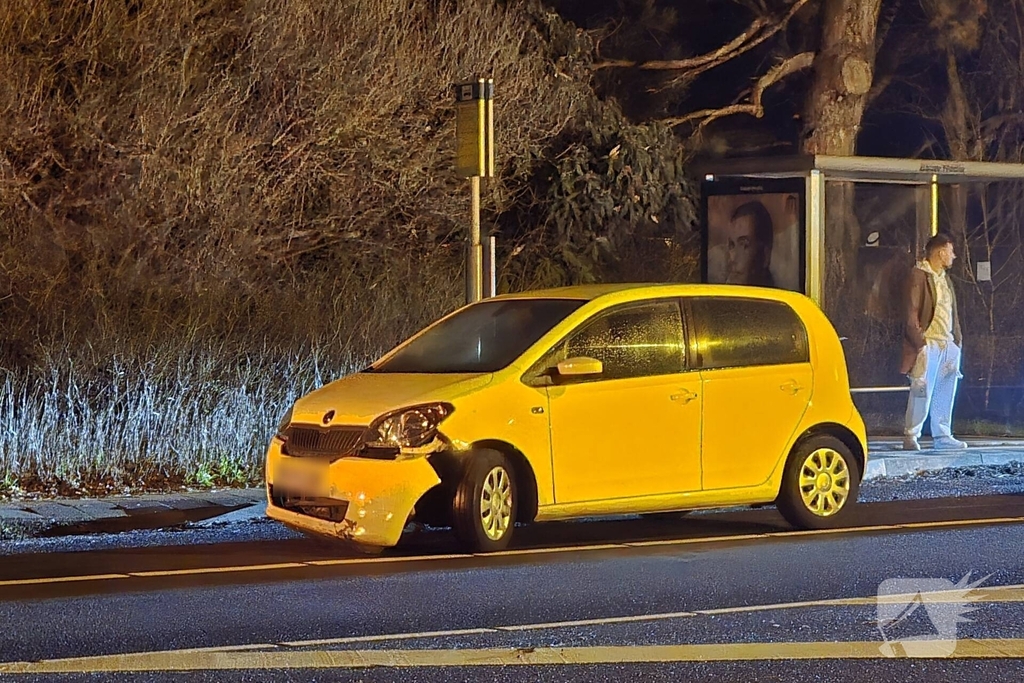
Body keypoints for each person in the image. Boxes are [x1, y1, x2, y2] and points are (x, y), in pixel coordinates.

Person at [900, 233, 967, 450]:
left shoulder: (944, 278)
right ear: (940, 252)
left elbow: (951, 312)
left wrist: (957, 341)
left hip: (947, 342)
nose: (953, 256)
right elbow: (911, 312)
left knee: (946, 389)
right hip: (928, 342)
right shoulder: (919, 275)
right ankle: (912, 434)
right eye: (951, 251)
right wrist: (920, 343)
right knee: (922, 389)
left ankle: (943, 434)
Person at [725, 200, 775, 287]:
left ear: (766, 254)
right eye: (732, 245)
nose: (732, 258)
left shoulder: (780, 298)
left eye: (744, 245)